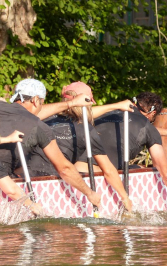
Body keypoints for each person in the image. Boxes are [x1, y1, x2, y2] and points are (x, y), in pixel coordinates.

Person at [0, 78, 134, 211]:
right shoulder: (81, 129)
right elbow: (105, 169)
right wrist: (124, 198)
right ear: (35, 100)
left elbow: (32, 113)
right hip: (43, 182)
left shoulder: (40, 117)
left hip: (8, 175)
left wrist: (114, 105)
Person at [77, 89, 167, 217]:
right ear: (153, 113)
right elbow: (166, 172)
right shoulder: (147, 128)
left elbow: (82, 115)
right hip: (97, 180)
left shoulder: (108, 112)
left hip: (76, 173)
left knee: (139, 167)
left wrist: (166, 131)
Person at [29, 82, 132, 212]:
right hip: (50, 182)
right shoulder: (86, 129)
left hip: (25, 177)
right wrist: (125, 198)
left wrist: (116, 105)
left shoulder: (45, 118)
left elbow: (27, 114)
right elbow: (109, 170)